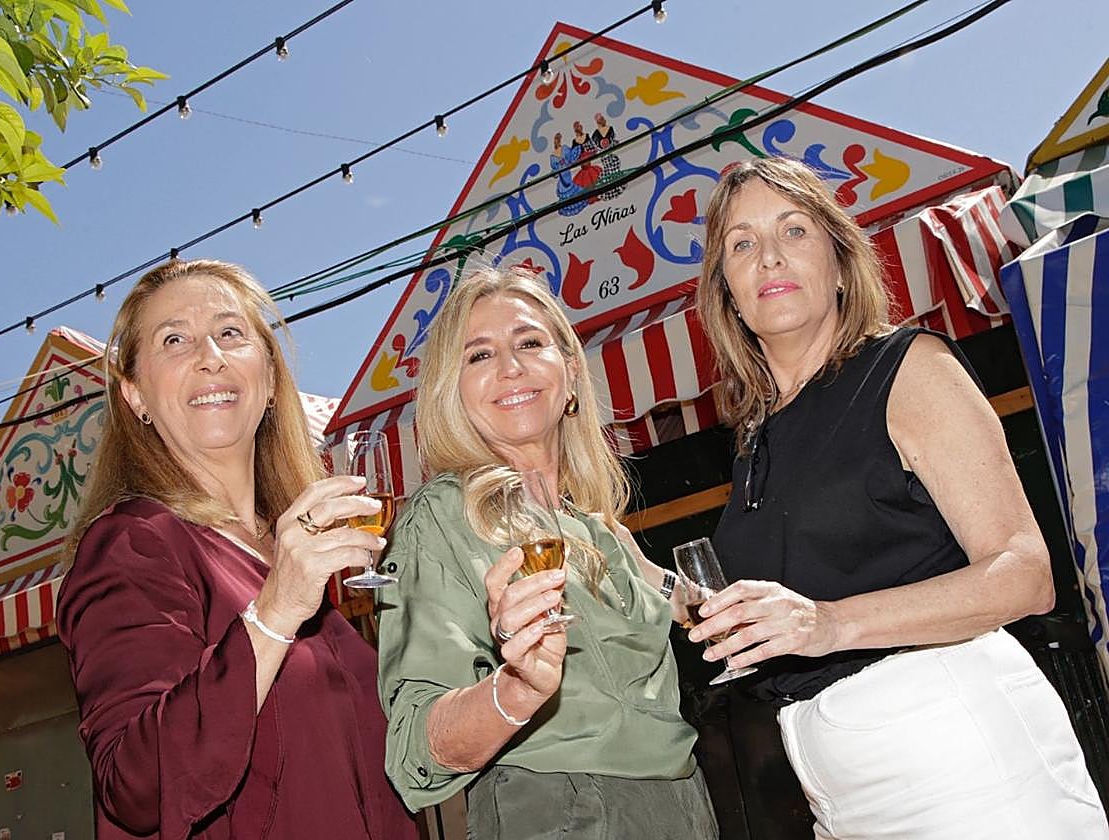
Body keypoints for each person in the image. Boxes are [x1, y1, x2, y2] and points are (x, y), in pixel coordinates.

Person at [691, 156, 1109, 838]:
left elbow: (1026, 574)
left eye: (794, 231)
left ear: (837, 258)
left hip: (964, 762)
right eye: (742, 244)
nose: (769, 257)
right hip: (838, 799)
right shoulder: (754, 437)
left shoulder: (910, 368)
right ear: (727, 291)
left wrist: (828, 623)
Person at [57, 259, 416, 839]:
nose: (210, 355)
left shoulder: (292, 558)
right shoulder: (134, 543)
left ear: (271, 382)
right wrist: (275, 613)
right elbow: (135, 785)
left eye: (230, 333)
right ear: (135, 395)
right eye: (174, 339)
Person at [376, 265, 719, 838]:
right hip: (562, 808)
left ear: (569, 371)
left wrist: (718, 602)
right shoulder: (440, 519)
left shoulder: (592, 524)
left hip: (683, 801)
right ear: (451, 391)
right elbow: (415, 747)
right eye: (479, 355)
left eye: (530, 342)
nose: (511, 367)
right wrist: (515, 688)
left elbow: (676, 596)